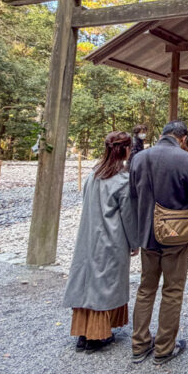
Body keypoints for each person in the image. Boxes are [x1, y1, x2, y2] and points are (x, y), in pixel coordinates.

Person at [128, 120, 188, 365]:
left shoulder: (139, 158)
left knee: (145, 288)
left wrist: (133, 234)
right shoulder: (186, 159)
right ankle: (164, 347)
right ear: (182, 138)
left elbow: (131, 196)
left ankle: (139, 344)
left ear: (162, 135)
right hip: (176, 234)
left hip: (146, 234)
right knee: (172, 290)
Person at [63, 131, 138, 352]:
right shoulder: (122, 180)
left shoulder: (92, 175)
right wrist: (134, 242)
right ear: (125, 149)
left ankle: (82, 333)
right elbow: (128, 215)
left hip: (87, 237)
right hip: (111, 238)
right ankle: (96, 335)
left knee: (87, 282)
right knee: (104, 284)